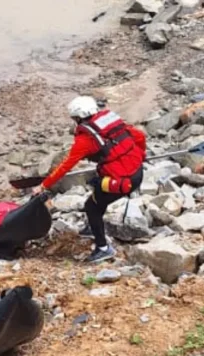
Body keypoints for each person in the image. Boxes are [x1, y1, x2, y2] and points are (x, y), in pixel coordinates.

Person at [33, 96, 147, 263]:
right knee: (98, 193)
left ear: (78, 117)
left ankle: (103, 248)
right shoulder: (109, 122)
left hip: (122, 181)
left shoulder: (84, 140)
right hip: (137, 172)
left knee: (91, 206)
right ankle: (93, 226)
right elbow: (139, 137)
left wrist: (43, 185)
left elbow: (65, 166)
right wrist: (141, 156)